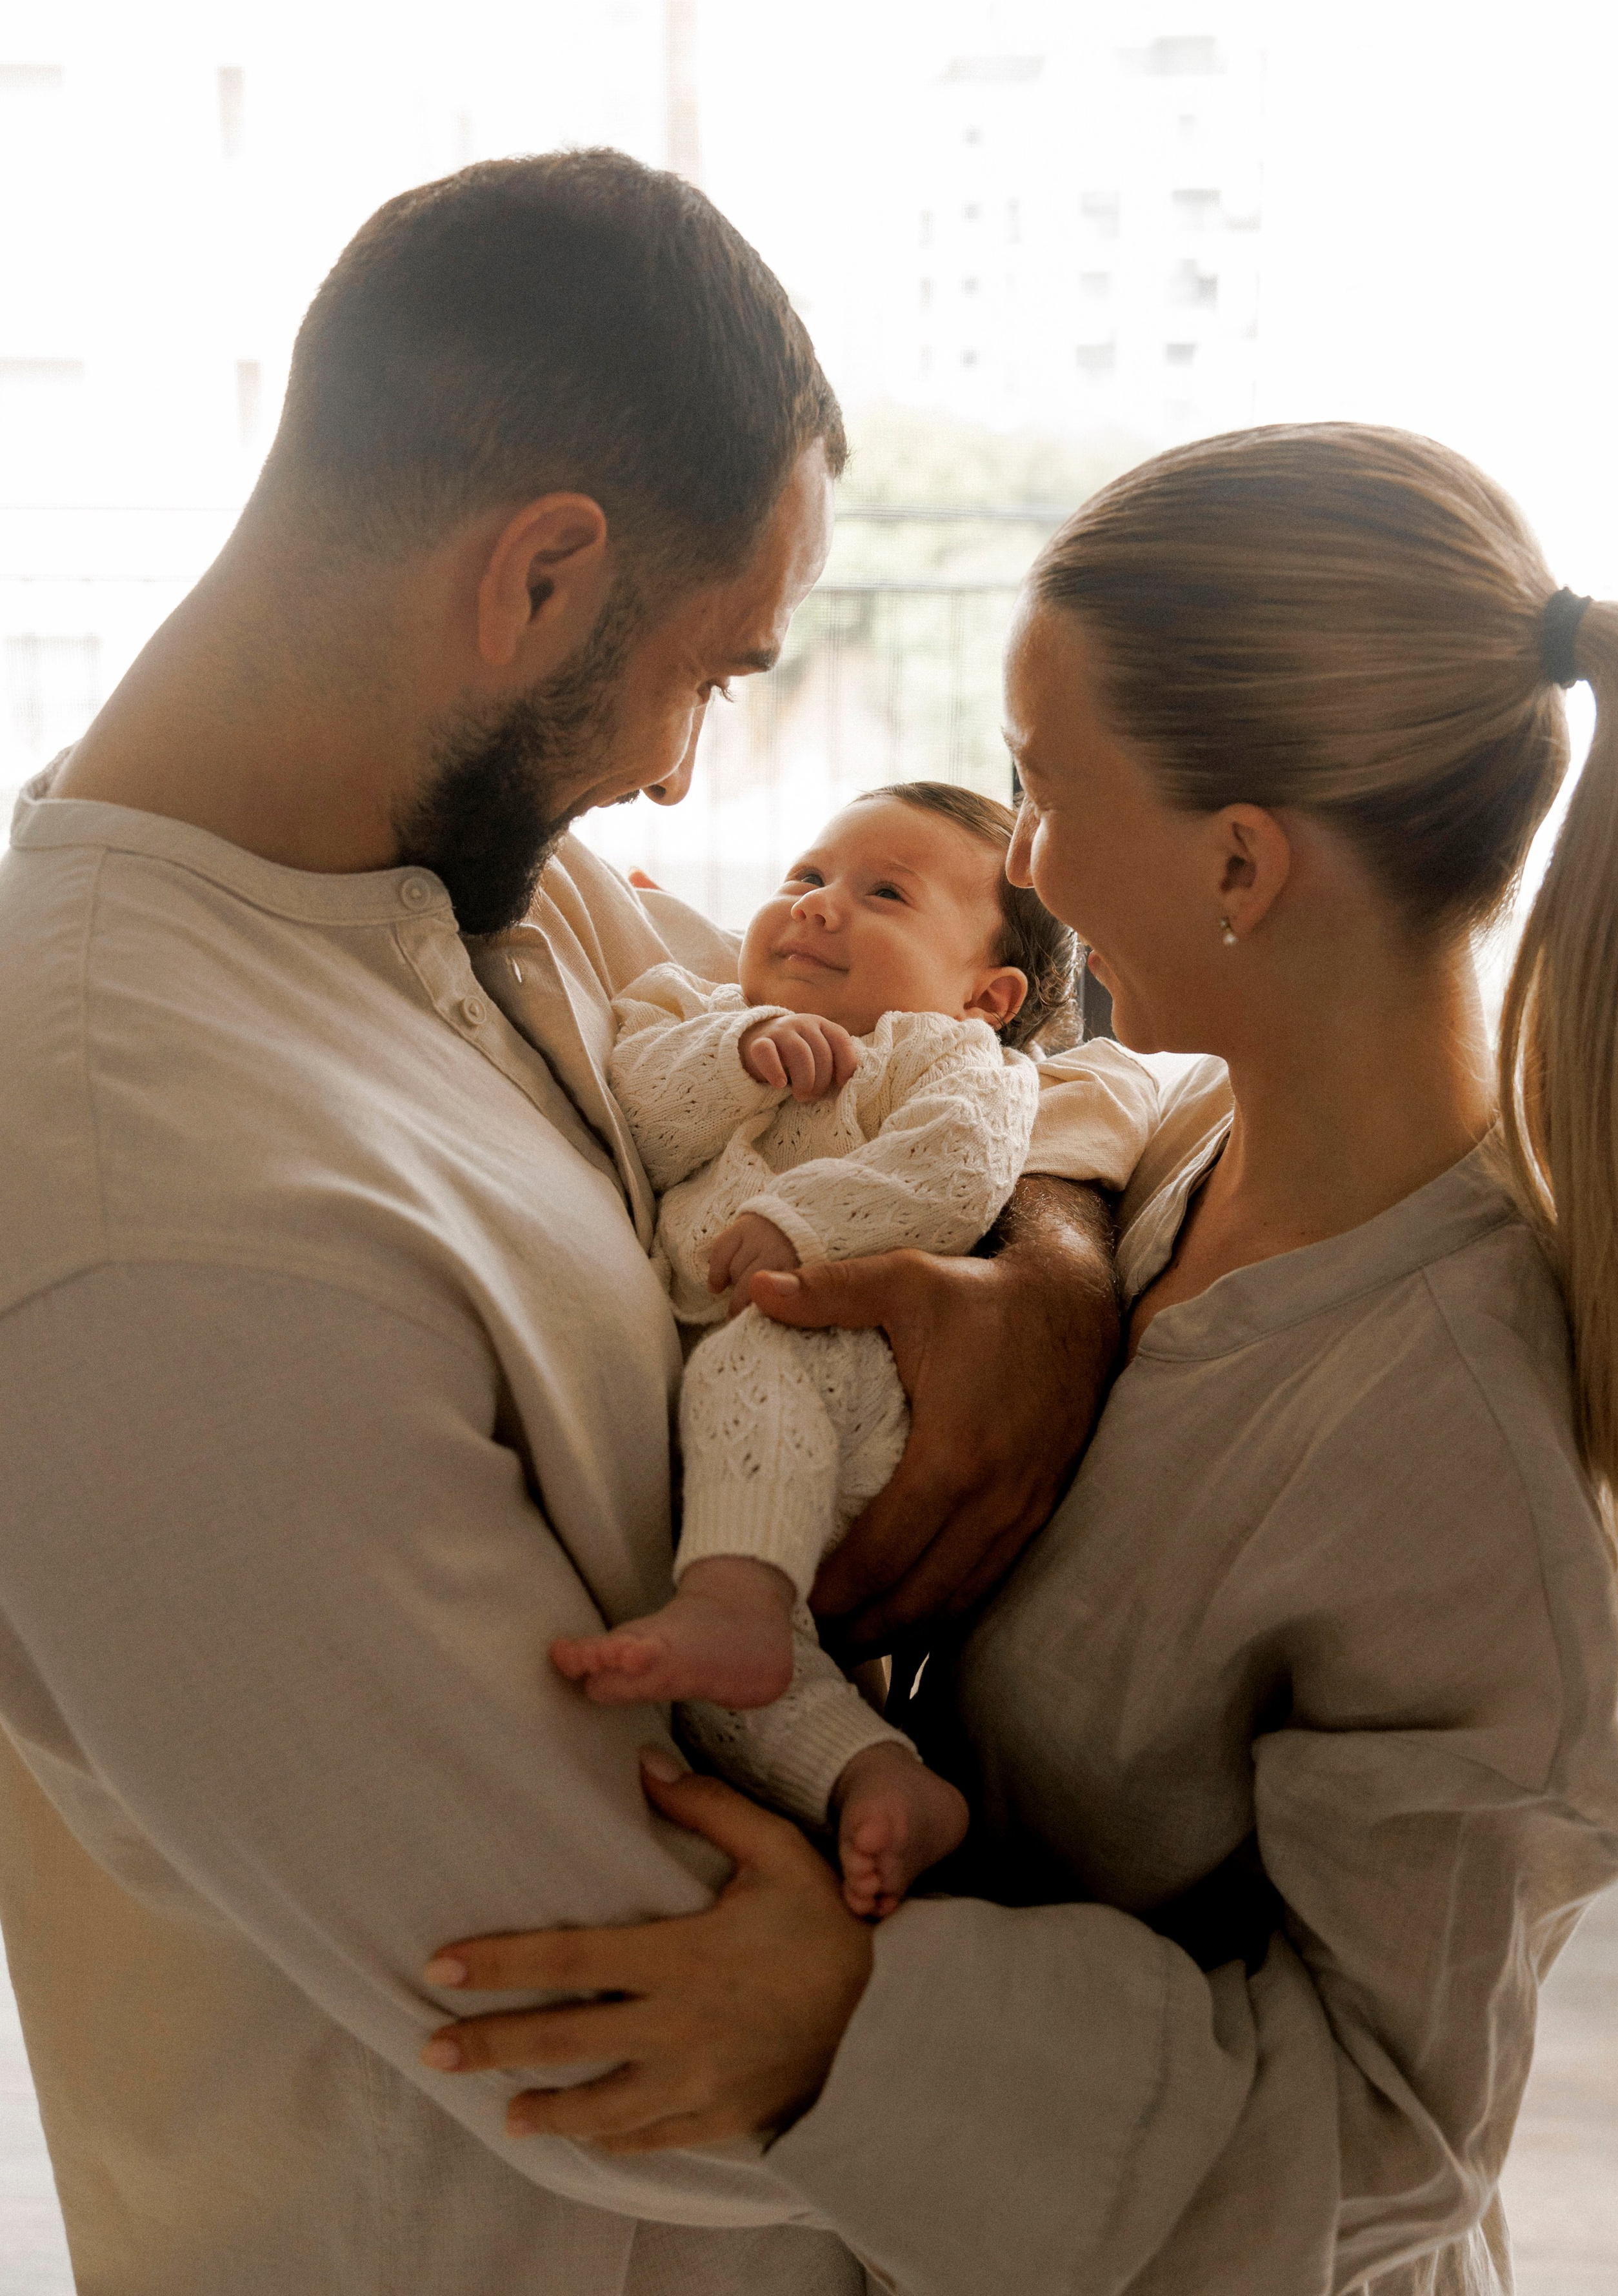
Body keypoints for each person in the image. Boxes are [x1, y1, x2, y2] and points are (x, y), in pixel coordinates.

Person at [0, 152, 1125, 2296]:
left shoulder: (481, 889)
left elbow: (972, 1064)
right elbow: (639, 2020)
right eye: (707, 672)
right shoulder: (151, 1217)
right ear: (538, 578)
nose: (690, 783)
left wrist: (1043, 1269)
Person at [421, 424, 1618, 2296]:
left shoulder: (1458, 1442)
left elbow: (1392, 2140)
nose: (1025, 856)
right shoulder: (1193, 1143)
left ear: (1243, 863)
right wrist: (1059, 1270)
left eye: (1042, 788)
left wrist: (868, 2016)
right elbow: (1075, 1102)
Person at [552, 783, 1155, 1917]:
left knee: (751, 1373)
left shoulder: (954, 1061)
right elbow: (641, 1106)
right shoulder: (688, 1007)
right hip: (736, 1437)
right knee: (724, 1683)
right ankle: (873, 1780)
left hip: (849, 1370)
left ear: (987, 993)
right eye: (806, 877)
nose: (820, 907)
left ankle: (736, 1609)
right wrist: (742, 1050)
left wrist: (809, 1224)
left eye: (884, 894)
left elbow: (955, 1174)